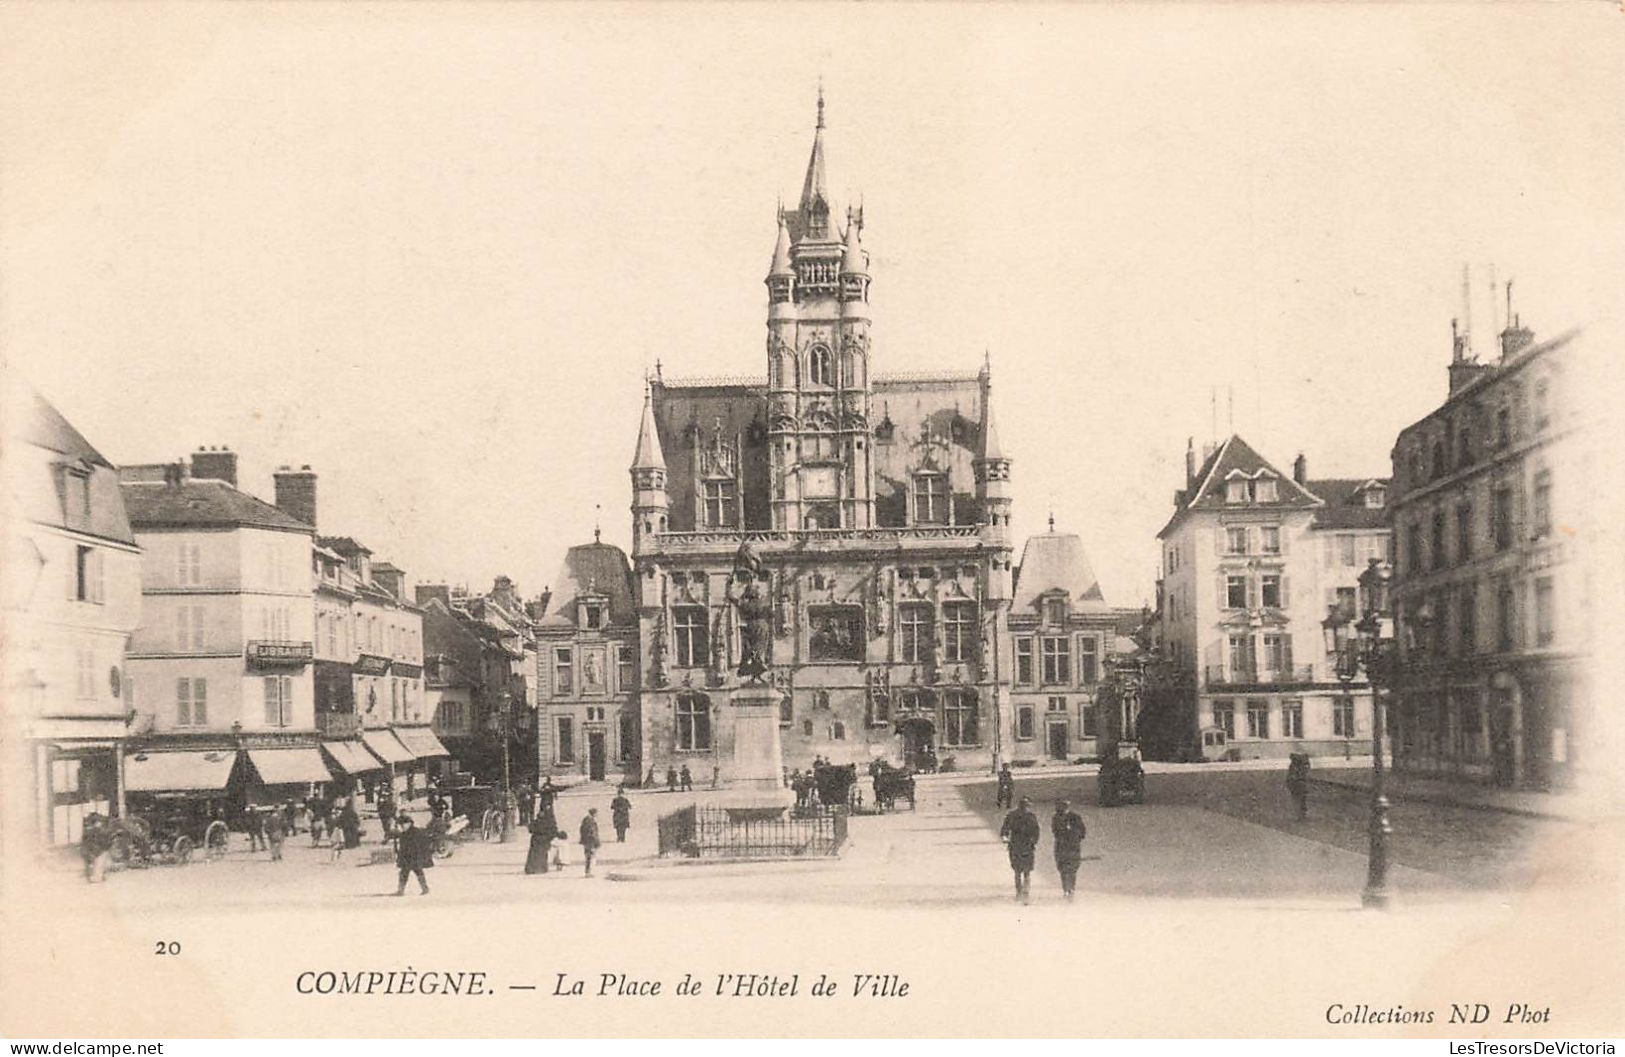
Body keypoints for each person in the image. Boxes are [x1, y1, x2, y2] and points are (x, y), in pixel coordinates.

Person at [999, 796, 1041, 903]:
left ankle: (1023, 892)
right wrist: (1005, 837)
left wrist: (1034, 841)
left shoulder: (1027, 816)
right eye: (1025, 806)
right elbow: (1005, 829)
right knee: (1020, 871)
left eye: (1026, 806)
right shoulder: (1015, 816)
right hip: (1019, 846)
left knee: (1023, 871)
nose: (1025, 808)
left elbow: (1036, 832)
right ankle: (1021, 892)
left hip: (1022, 846)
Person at [1051, 799, 1087, 900]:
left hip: (1071, 847)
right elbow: (1055, 831)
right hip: (1062, 847)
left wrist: (1073, 836)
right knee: (1063, 869)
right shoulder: (1056, 818)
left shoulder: (1075, 817)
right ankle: (1066, 890)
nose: (1058, 809)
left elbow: (1082, 832)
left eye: (1059, 806)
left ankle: (1070, 889)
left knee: (1071, 869)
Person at [393, 814, 433, 896]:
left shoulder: (416, 832)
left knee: (415, 873)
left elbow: (422, 844)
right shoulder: (405, 833)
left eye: (403, 824)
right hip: (408, 858)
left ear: (409, 823)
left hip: (414, 857)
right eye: (401, 825)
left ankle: (424, 889)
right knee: (407, 873)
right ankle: (402, 890)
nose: (402, 826)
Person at [81, 813, 112, 883]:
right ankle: (96, 877)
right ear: (97, 822)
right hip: (98, 850)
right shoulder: (97, 830)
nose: (100, 823)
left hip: (92, 850)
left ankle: (94, 876)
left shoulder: (89, 830)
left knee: (91, 864)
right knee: (98, 863)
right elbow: (103, 840)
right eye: (99, 822)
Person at [1286, 752, 1311, 821]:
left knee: (1297, 799)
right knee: (1302, 799)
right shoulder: (1303, 766)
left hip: (1297, 784)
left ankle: (1299, 814)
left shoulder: (1293, 766)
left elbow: (1290, 776)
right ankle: (1301, 813)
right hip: (1300, 783)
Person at [579, 808, 602, 877]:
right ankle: (588, 872)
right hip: (590, 841)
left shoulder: (587, 820)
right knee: (590, 856)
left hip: (587, 841)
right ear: (594, 813)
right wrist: (596, 841)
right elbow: (592, 832)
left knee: (589, 856)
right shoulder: (590, 821)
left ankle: (588, 871)